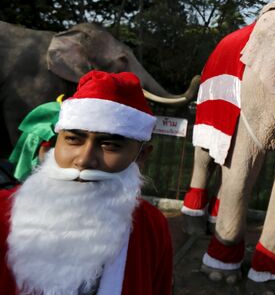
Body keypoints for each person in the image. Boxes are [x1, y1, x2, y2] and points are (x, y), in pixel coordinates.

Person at [0, 71, 173, 295]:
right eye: (73, 139)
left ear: (140, 156)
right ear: (56, 142)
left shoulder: (151, 225)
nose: (83, 160)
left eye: (109, 145)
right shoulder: (3, 212)